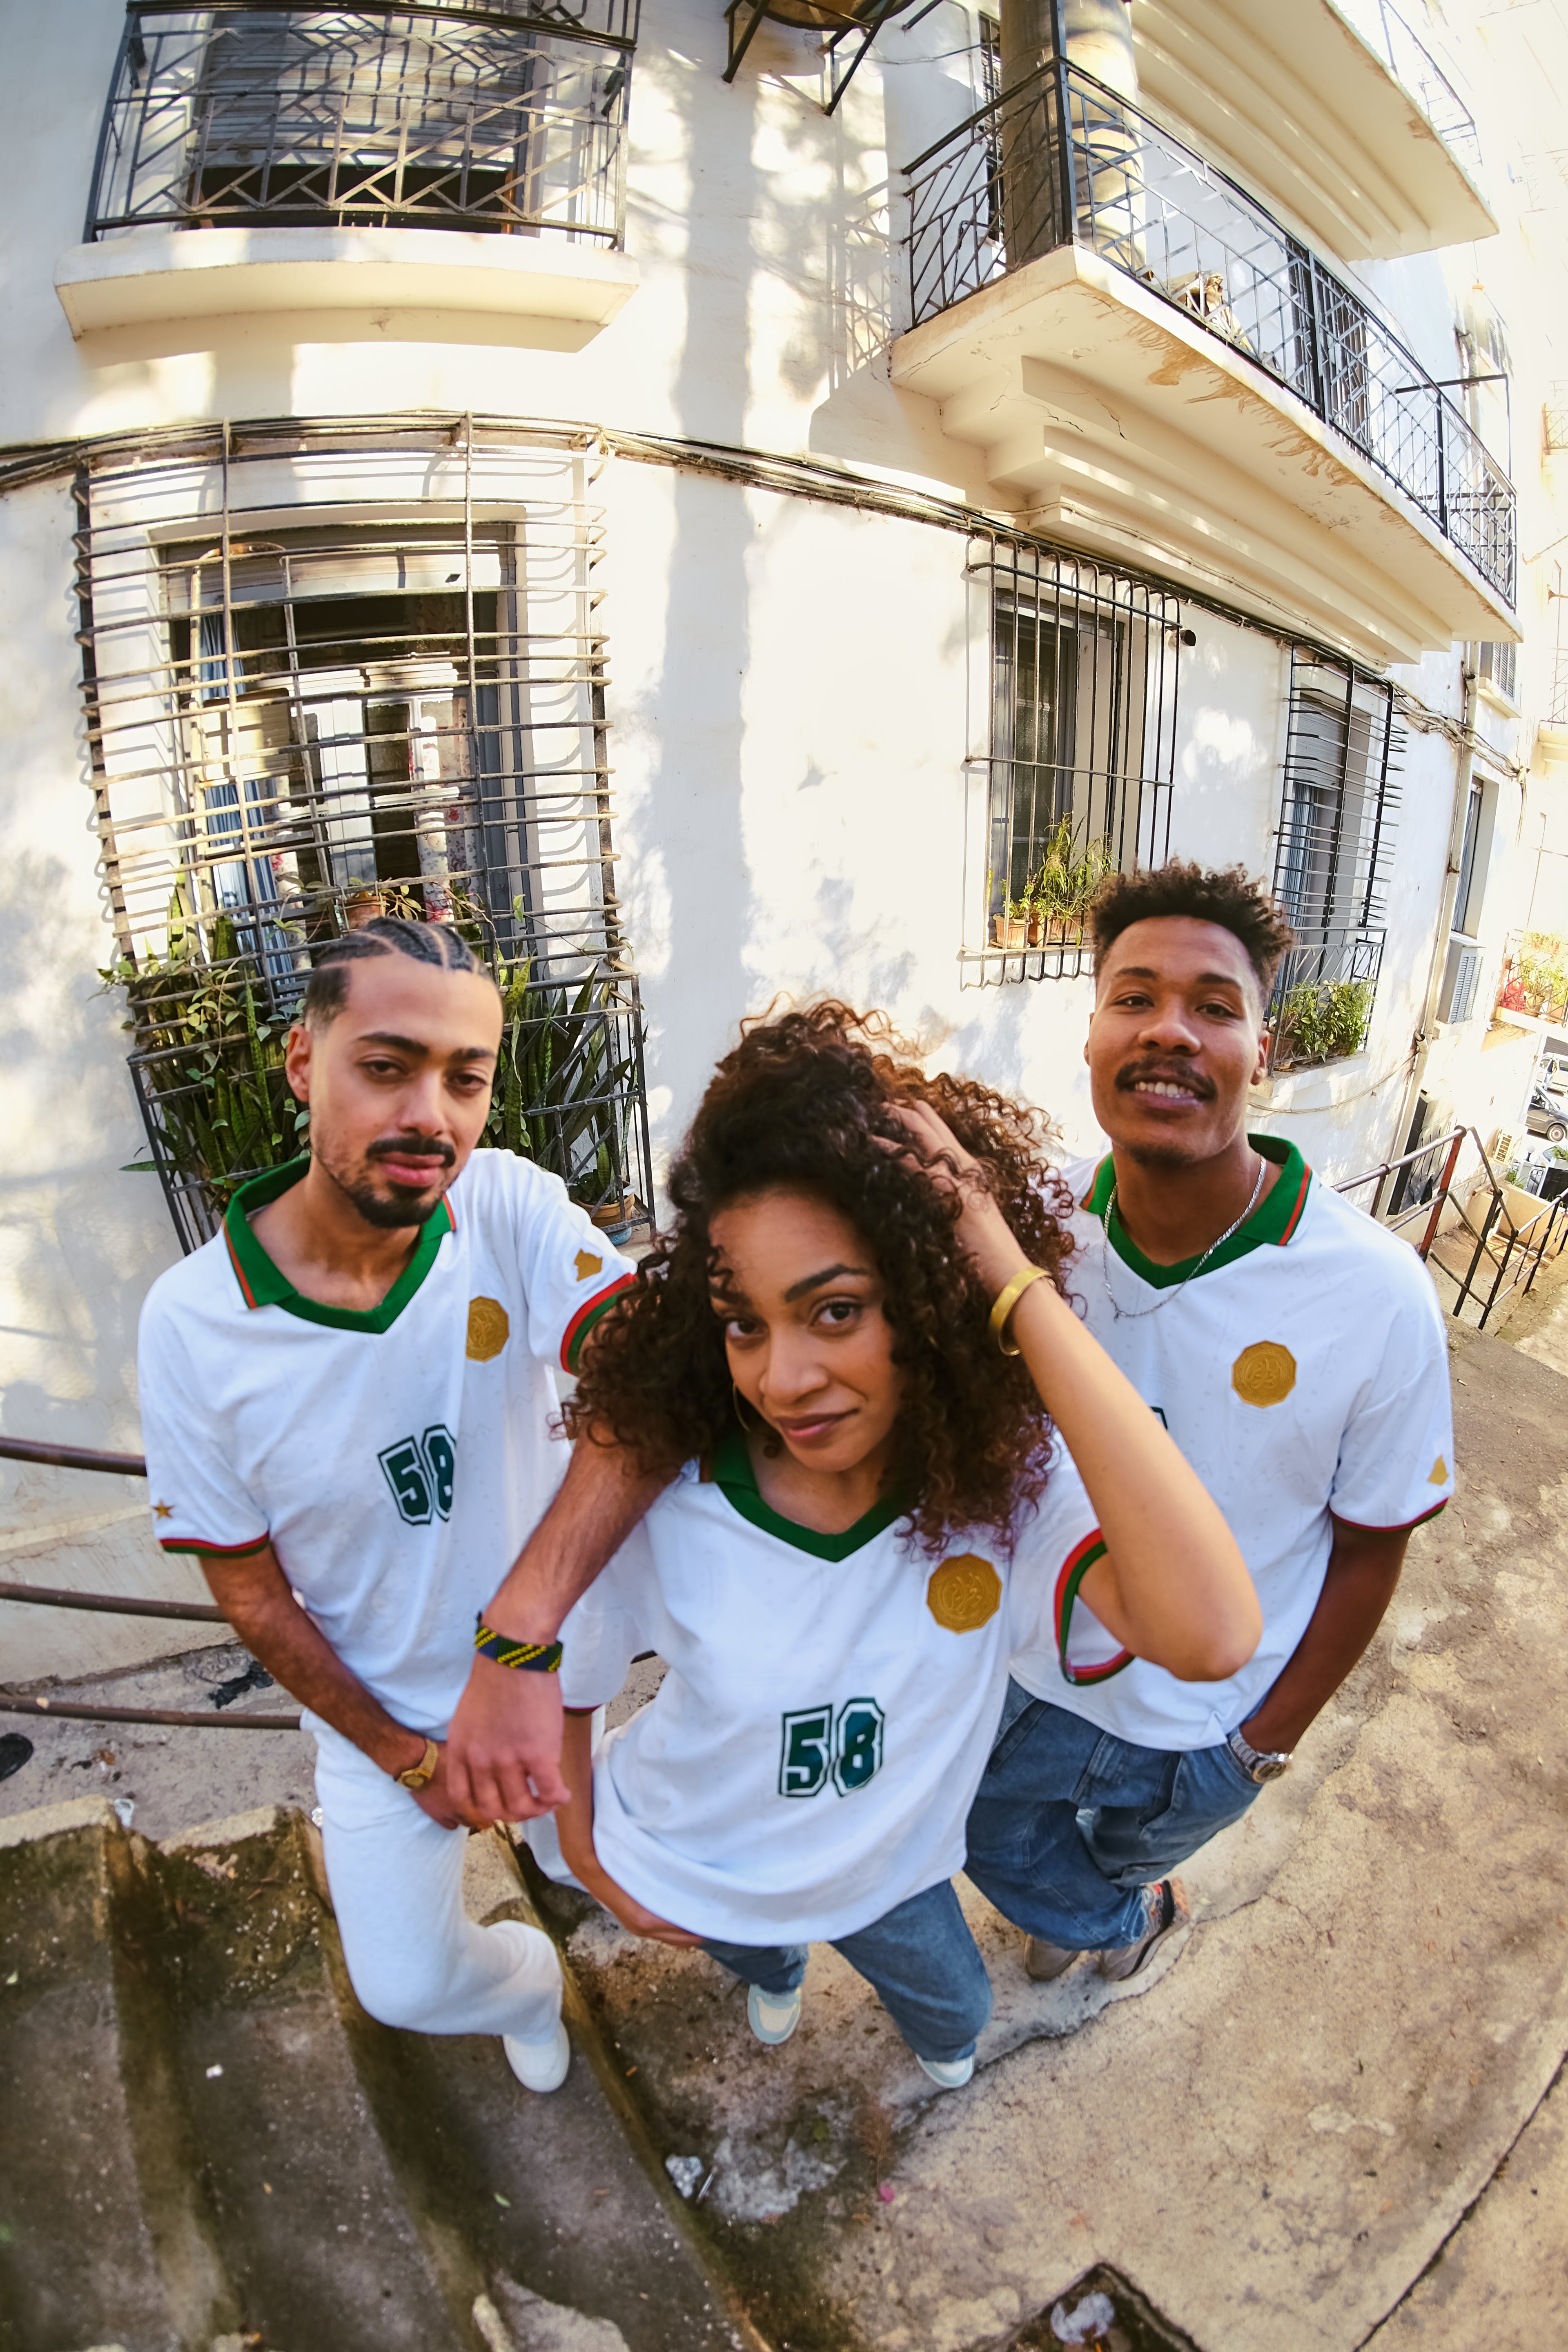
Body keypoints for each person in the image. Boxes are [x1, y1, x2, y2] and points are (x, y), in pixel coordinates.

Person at [535, 1005, 1259, 2087]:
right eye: (745, 1322)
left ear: (932, 1303)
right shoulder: (669, 1493)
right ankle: (774, 1969)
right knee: (755, 1952)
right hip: (704, 1850)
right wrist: (588, 1849)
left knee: (956, 2010)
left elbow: (1211, 1634)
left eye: (834, 1312)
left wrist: (1003, 1268)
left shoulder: (1000, 1498)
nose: (783, 1379)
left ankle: (941, 2049)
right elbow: (567, 1671)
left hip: (893, 1876)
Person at [137, 918, 660, 2094]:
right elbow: (252, 1595)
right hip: (383, 1716)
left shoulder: (506, 1208)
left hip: (547, 1676)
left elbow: (652, 1381)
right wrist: (409, 1760)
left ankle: (588, 1821)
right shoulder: (193, 1325)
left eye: (466, 1078)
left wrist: (517, 1649)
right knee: (406, 1986)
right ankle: (529, 1985)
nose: (432, 1114)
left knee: (584, 1857)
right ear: (301, 1061)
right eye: (387, 1066)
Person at [965, 863, 1456, 1983]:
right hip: (1028, 1675)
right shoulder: (1033, 1235)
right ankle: (1116, 1922)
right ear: (1093, 1035)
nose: (1170, 1030)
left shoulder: (1376, 1294)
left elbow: (1373, 1545)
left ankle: (1125, 1901)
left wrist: (1261, 1748)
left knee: (1129, 1857)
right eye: (1134, 998)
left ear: (1261, 1051)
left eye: (1215, 1006)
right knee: (989, 1842)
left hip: (1207, 1724)